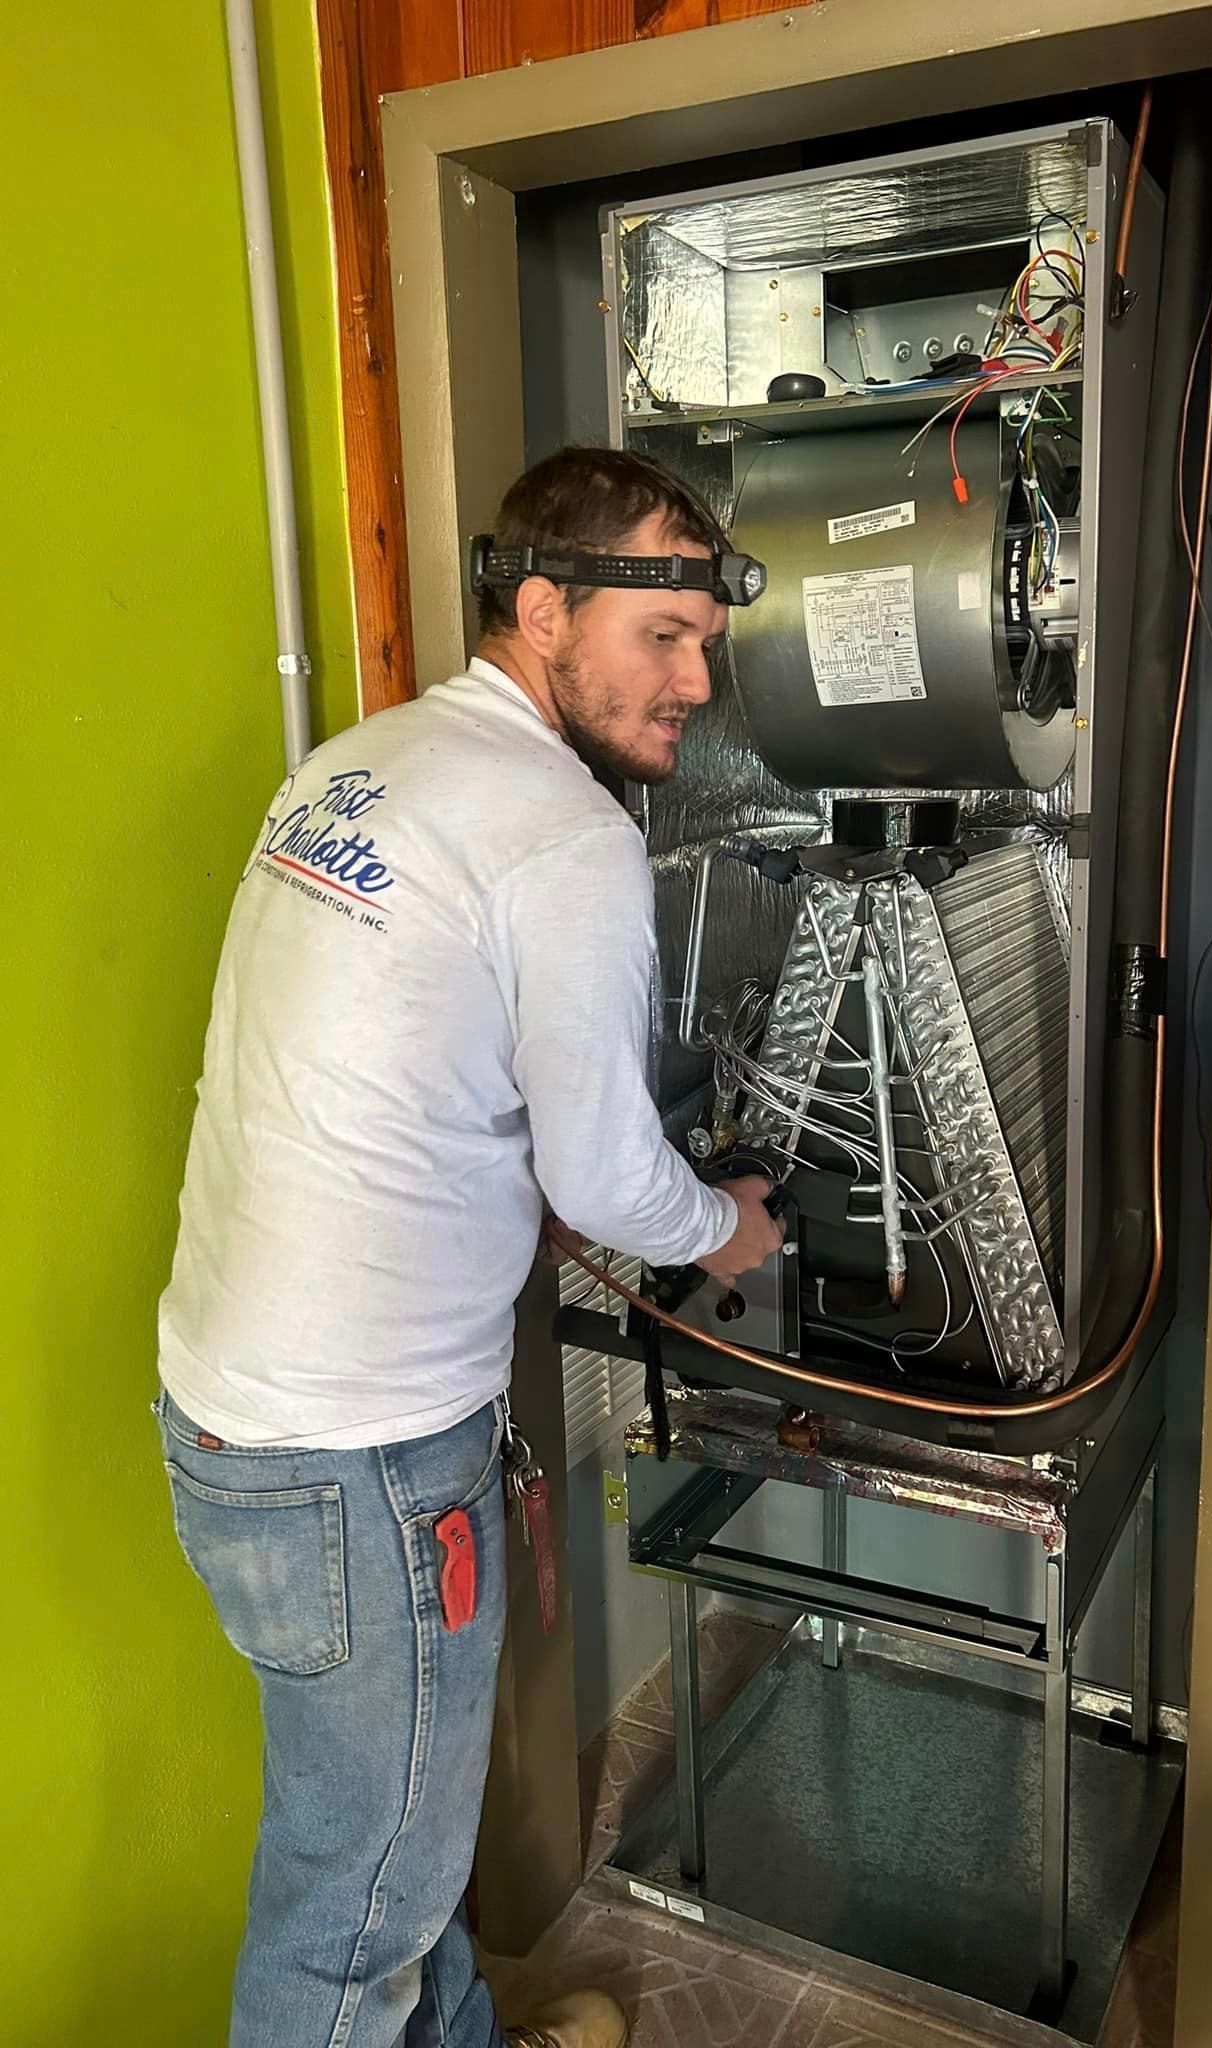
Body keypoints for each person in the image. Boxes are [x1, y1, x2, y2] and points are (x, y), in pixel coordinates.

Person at [156, 446, 784, 2048]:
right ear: (543, 607)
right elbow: (614, 1180)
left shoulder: (354, 768)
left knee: (393, 1837)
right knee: (350, 1913)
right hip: (361, 1454)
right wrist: (732, 1228)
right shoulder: (559, 832)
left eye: (706, 639)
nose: (695, 680)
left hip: (232, 1414)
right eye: (661, 635)